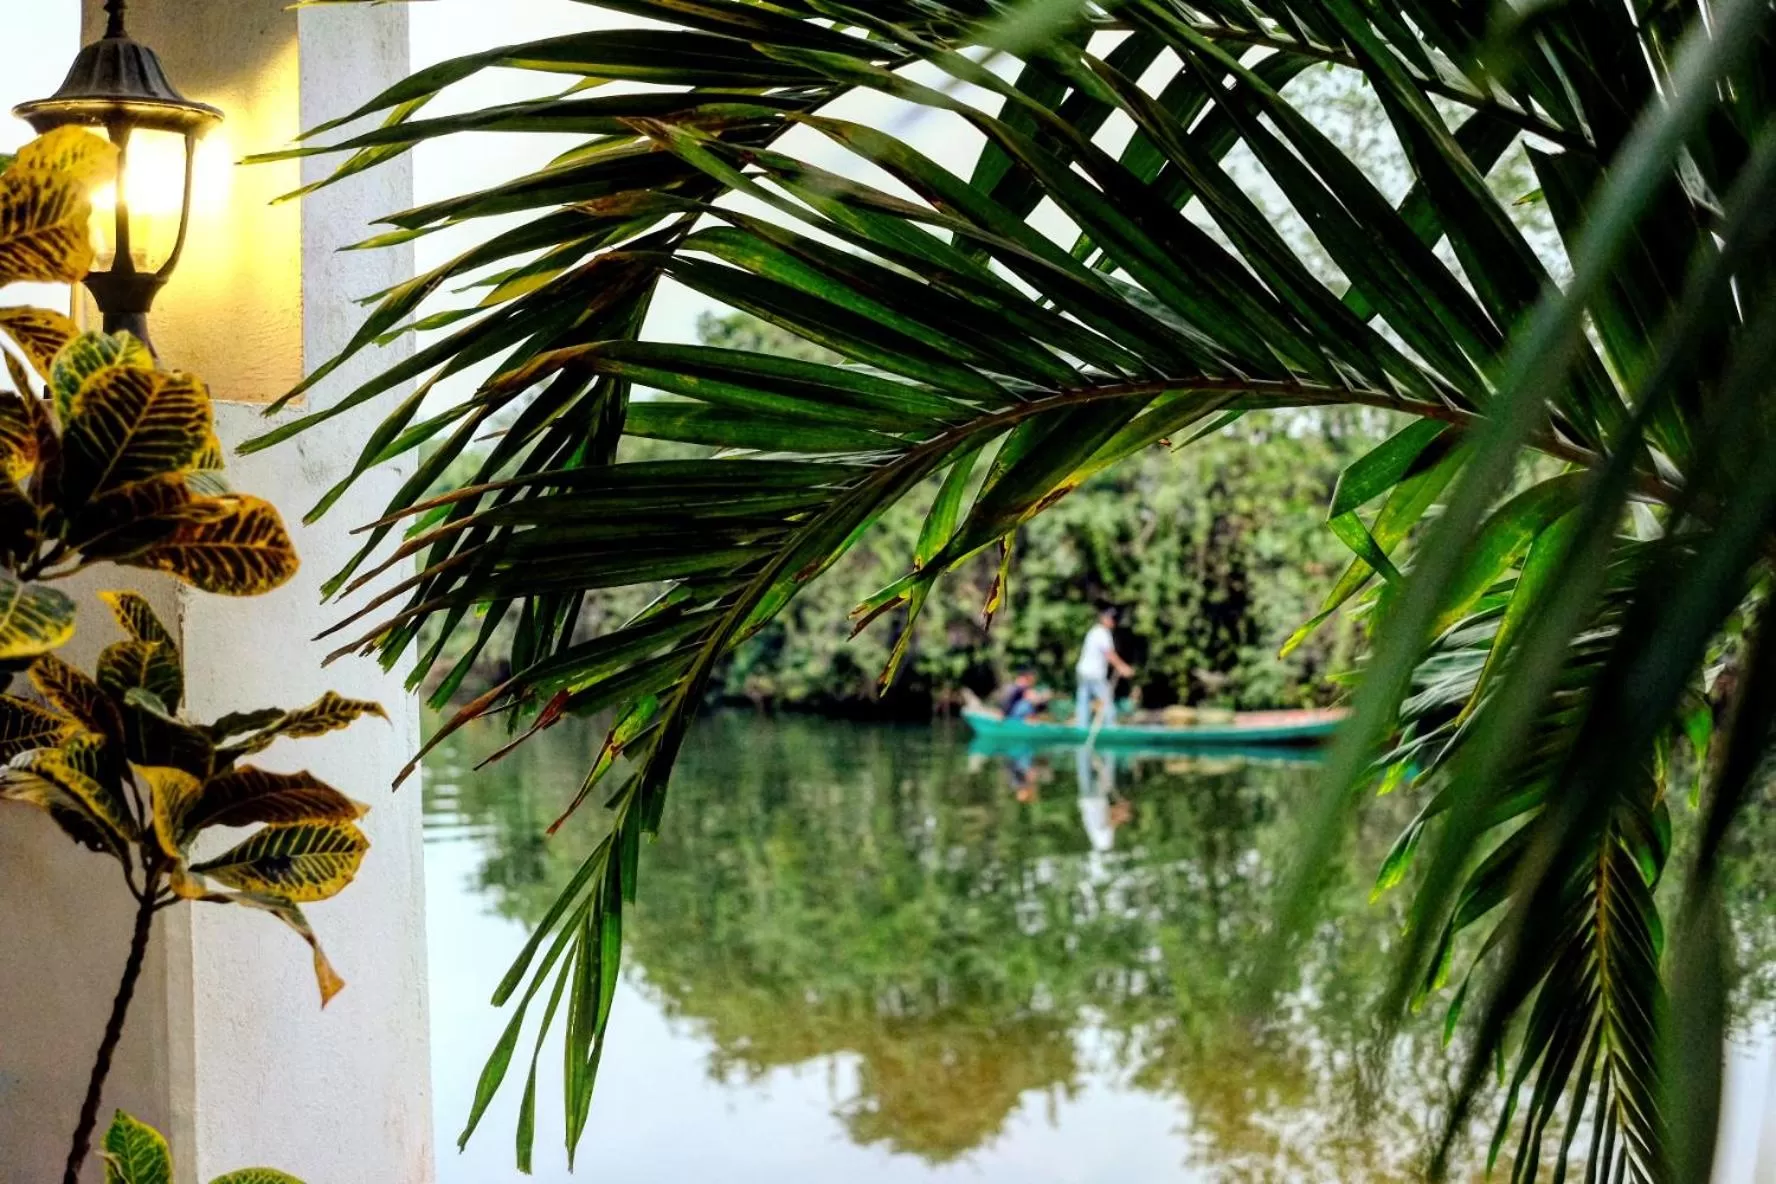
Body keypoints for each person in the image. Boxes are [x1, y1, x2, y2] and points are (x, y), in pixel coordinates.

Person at [1075, 604, 1134, 727]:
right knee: (1106, 700)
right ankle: (1111, 728)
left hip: (1083, 671)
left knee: (1083, 702)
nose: (1113, 621)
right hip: (1093, 674)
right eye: (1110, 618)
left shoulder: (1094, 631)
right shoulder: (1102, 633)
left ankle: (1081, 728)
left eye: (1114, 619)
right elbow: (1109, 654)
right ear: (1103, 619)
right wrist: (1122, 667)